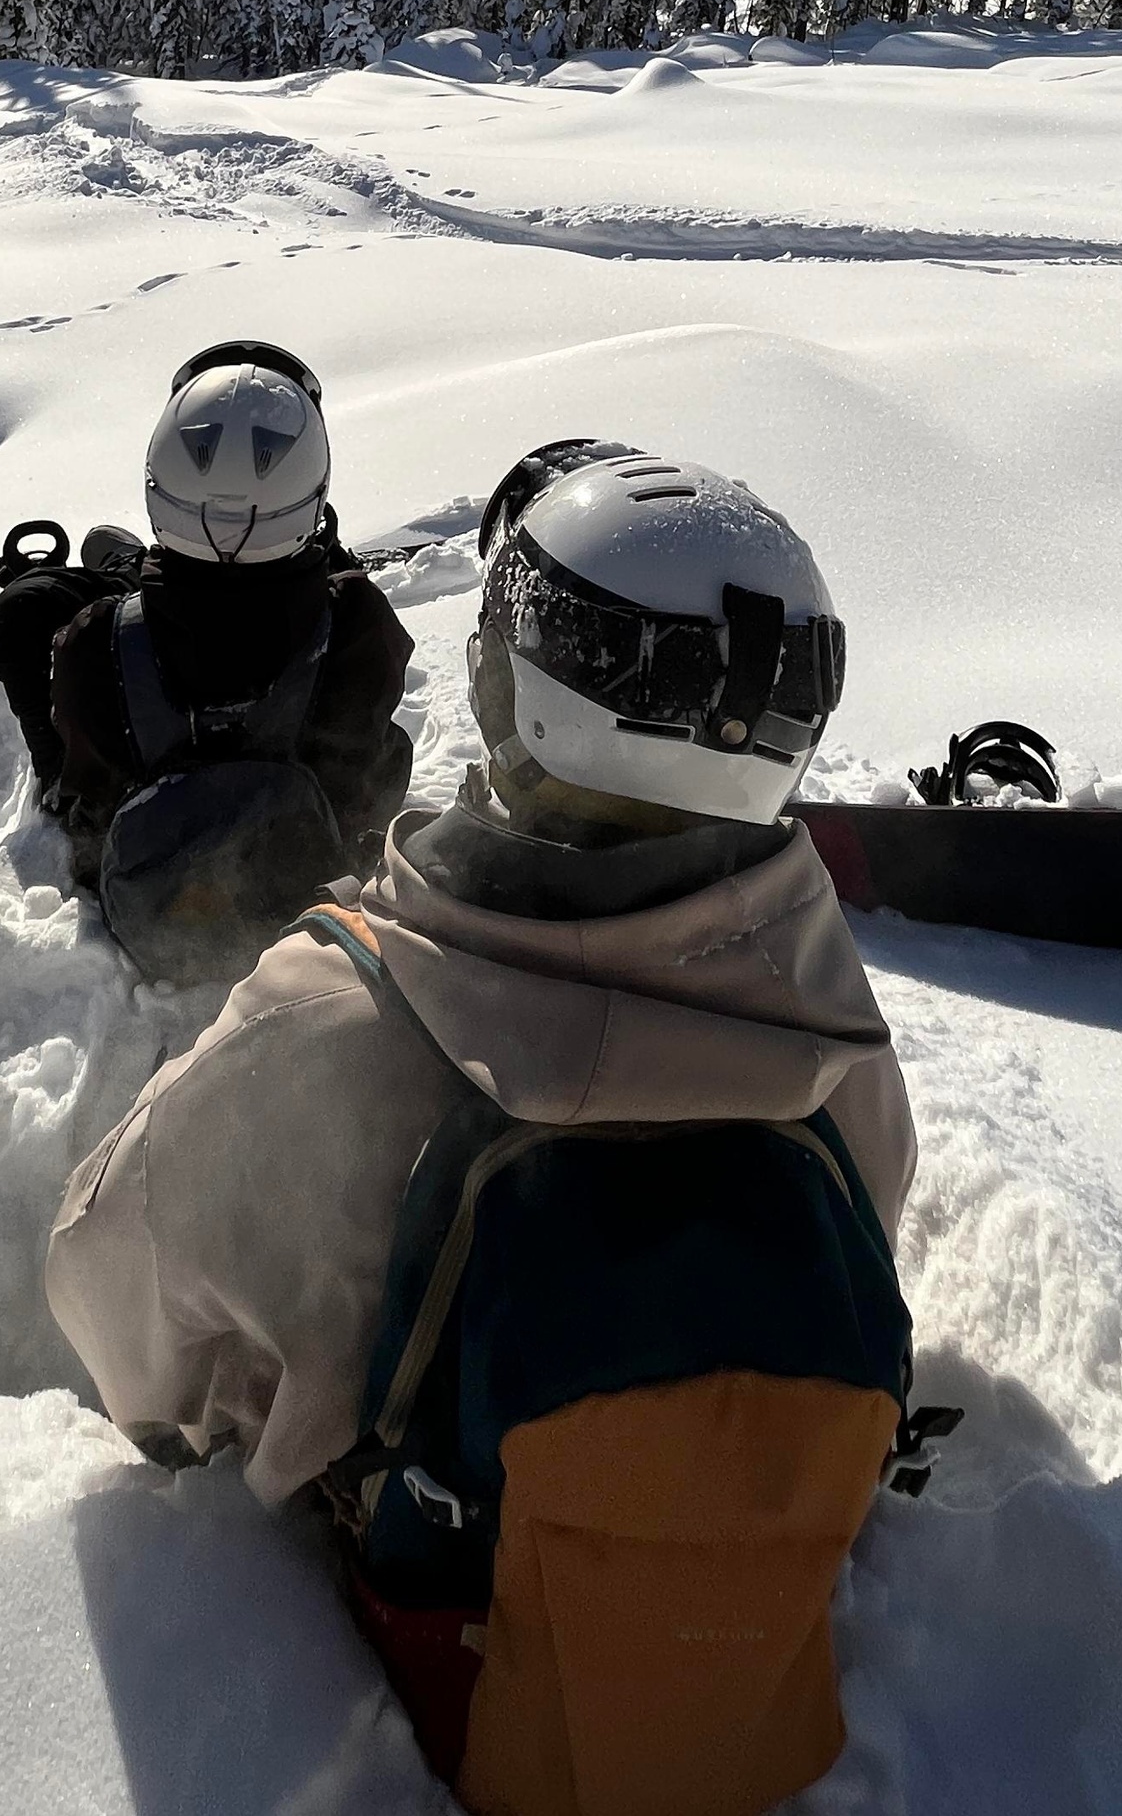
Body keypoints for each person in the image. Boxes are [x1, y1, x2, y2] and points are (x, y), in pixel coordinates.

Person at [46, 440, 917, 1816]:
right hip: (749, 1669)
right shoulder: (826, 1033)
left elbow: (105, 1295)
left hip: (427, 1696)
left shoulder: (331, 1028)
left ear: (510, 692)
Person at [37, 341, 414, 972]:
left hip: (154, 908)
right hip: (310, 899)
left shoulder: (94, 640)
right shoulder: (355, 622)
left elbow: (89, 790)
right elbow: (368, 768)